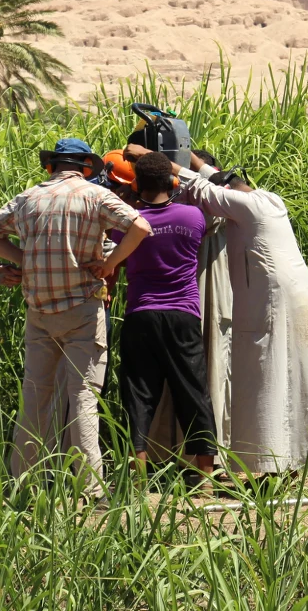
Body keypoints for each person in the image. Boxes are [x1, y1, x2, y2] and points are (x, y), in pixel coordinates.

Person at [125, 143, 308, 475]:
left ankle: (269, 464)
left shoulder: (241, 206)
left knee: (266, 372)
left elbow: (203, 188)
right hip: (296, 289)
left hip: (270, 296)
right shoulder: (268, 200)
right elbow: (217, 180)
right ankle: (296, 461)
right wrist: (192, 160)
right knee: (297, 374)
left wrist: (163, 163)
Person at [0, 138, 151, 499]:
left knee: (35, 399)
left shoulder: (28, 198)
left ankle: (22, 484)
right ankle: (90, 490)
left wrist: (25, 261)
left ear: (51, 166)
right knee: (84, 399)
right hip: (82, 312)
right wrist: (110, 263)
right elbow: (140, 227)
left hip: (40, 312)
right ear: (86, 167)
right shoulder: (94, 196)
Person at [111, 152, 218, 483]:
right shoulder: (193, 217)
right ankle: (204, 478)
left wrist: (127, 198)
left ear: (136, 184)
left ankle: (139, 475)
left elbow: (119, 254)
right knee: (194, 391)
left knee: (139, 395)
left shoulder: (129, 224)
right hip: (182, 315)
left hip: (141, 315)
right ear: (172, 182)